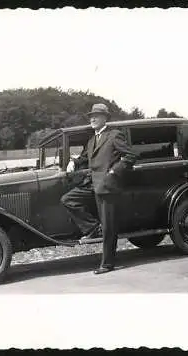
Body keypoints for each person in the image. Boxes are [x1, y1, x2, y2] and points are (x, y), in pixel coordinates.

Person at [60, 103, 136, 274]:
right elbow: (84, 158)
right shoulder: (92, 140)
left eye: (96, 116)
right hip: (93, 184)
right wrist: (73, 162)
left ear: (105, 118)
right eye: (91, 116)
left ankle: (107, 264)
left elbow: (130, 155)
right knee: (68, 200)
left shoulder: (114, 135)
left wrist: (114, 171)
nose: (92, 118)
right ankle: (94, 229)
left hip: (108, 186)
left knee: (109, 226)